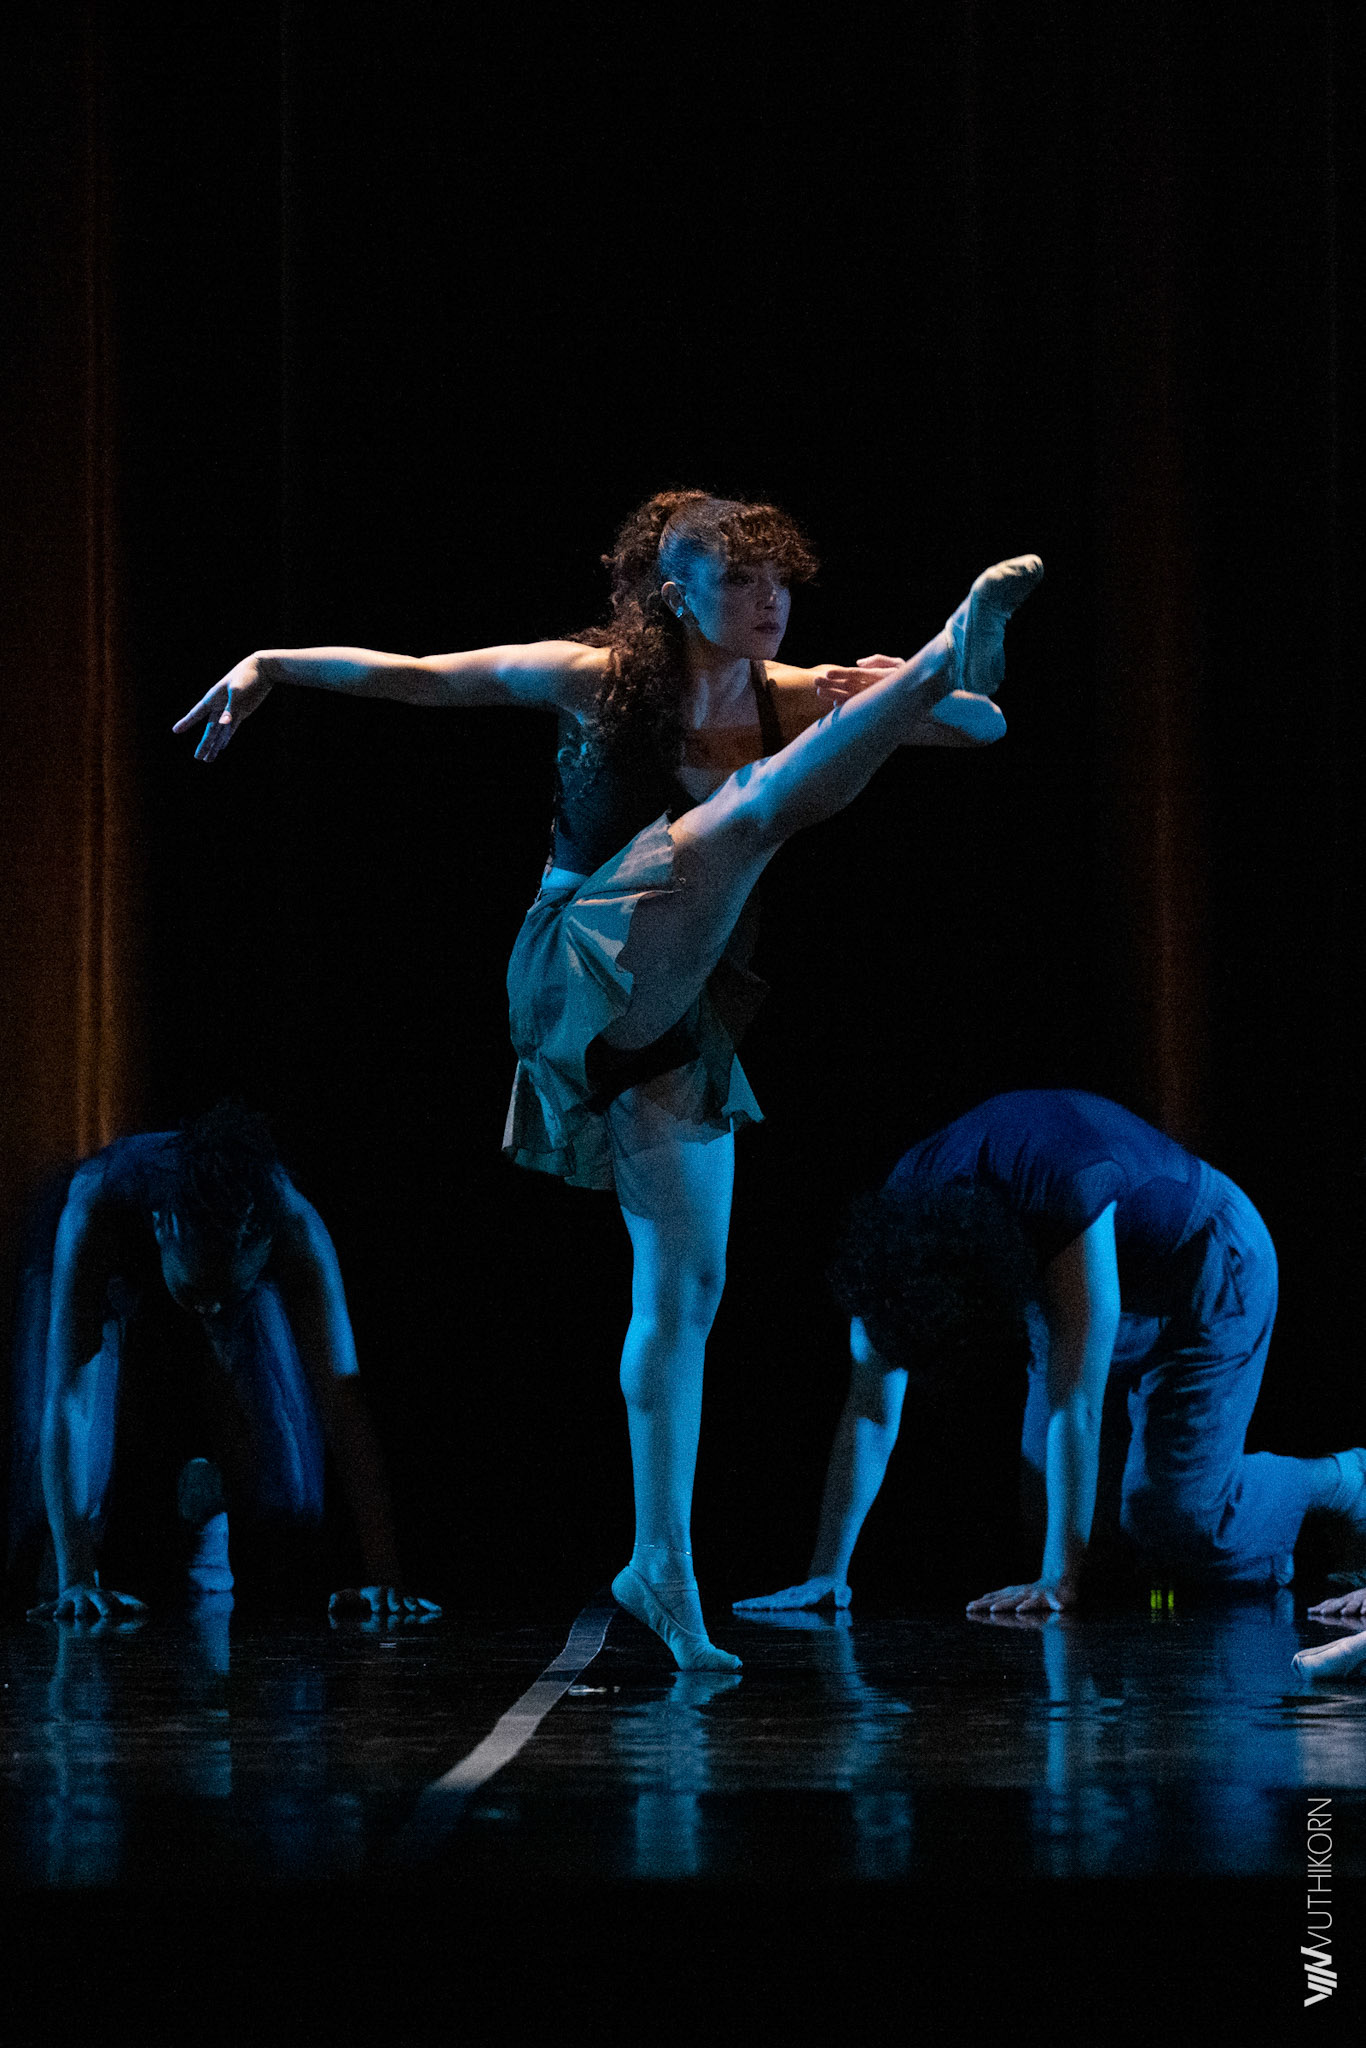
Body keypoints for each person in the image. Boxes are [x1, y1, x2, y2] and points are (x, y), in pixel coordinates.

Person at [173, 490, 1042, 1668]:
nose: (770, 602)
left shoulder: (791, 693)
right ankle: (943, 641)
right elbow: (421, 678)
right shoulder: (591, 678)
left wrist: (895, 693)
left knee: (686, 1289)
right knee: (748, 813)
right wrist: (268, 663)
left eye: (778, 581)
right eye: (739, 581)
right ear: (675, 592)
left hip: (677, 1011)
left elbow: (984, 731)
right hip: (576, 966)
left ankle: (659, 1565)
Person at [735, 1089, 1366, 1616]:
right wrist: (828, 1571)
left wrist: (1059, 1581)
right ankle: (1192, 1554)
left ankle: (1343, 1481)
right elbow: (870, 1410)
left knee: (1170, 1519)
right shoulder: (901, 1237)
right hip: (1084, 1275)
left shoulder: (1064, 1187)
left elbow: (1076, 1406)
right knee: (1054, 1522)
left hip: (1206, 1265)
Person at [12, 1102, 439, 1622]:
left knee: (292, 1489)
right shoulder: (98, 1204)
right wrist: (76, 1578)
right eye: (198, 1293)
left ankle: (203, 1508)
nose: (210, 1311)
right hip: (108, 1253)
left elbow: (343, 1402)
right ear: (163, 1226)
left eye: (227, 1293)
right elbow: (69, 1399)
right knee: (55, 1500)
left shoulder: (293, 1224)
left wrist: (385, 1578)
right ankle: (63, 1564)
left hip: (224, 1267)